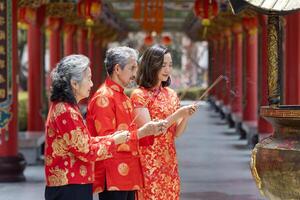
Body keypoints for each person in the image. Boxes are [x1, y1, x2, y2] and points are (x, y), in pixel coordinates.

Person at [44, 54, 131, 200]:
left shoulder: (66, 107)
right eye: (88, 78)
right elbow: (87, 150)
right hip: (69, 187)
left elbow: (85, 142)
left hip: (72, 185)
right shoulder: (66, 111)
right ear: (74, 83)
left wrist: (111, 137)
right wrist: (114, 141)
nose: (91, 84)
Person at [86, 46, 166, 200]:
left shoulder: (123, 97)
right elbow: (107, 140)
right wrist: (143, 132)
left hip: (128, 172)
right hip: (113, 174)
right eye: (132, 68)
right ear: (117, 69)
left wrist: (151, 129)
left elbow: (133, 134)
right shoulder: (104, 98)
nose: (135, 74)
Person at [130, 44, 197, 200]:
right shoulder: (139, 95)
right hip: (148, 162)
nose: (167, 69)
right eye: (163, 65)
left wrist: (186, 115)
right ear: (151, 65)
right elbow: (151, 130)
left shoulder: (171, 94)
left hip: (169, 162)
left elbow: (177, 133)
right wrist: (178, 114)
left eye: (170, 65)